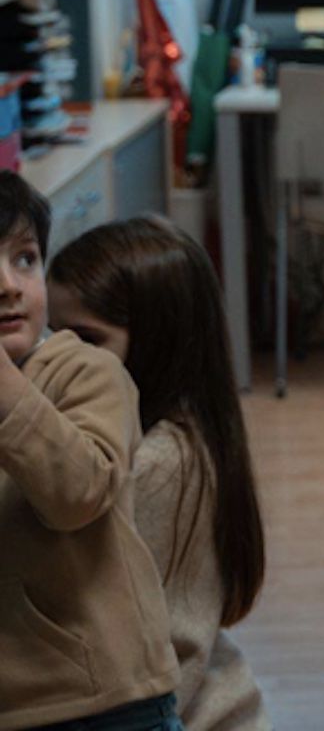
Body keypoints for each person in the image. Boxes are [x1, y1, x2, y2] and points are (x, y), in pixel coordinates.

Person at [49, 218, 271, 731]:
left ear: (158, 342)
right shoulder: (181, 432)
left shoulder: (158, 465)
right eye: (55, 337)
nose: (62, 362)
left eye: (86, 340)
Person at [0, 173, 182, 731]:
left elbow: (76, 493)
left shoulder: (85, 371)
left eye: (25, 259)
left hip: (105, 700)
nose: (8, 284)